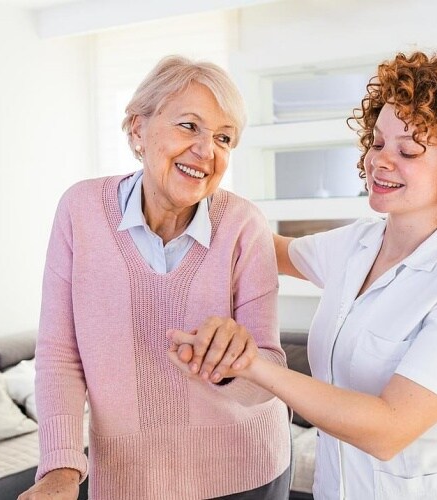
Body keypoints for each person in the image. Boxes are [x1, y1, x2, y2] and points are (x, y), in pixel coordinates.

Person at [168, 51, 437, 499]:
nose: (381, 161)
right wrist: (198, 183)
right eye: (377, 143)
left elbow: (388, 429)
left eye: (408, 150)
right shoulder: (358, 245)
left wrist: (250, 364)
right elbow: (267, 248)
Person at [18, 55, 291, 500]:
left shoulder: (244, 224)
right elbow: (59, 355)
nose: (207, 151)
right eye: (189, 126)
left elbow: (272, 370)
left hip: (247, 472)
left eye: (224, 138)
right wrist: (61, 468)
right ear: (137, 129)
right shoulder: (80, 211)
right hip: (130, 481)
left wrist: (233, 363)